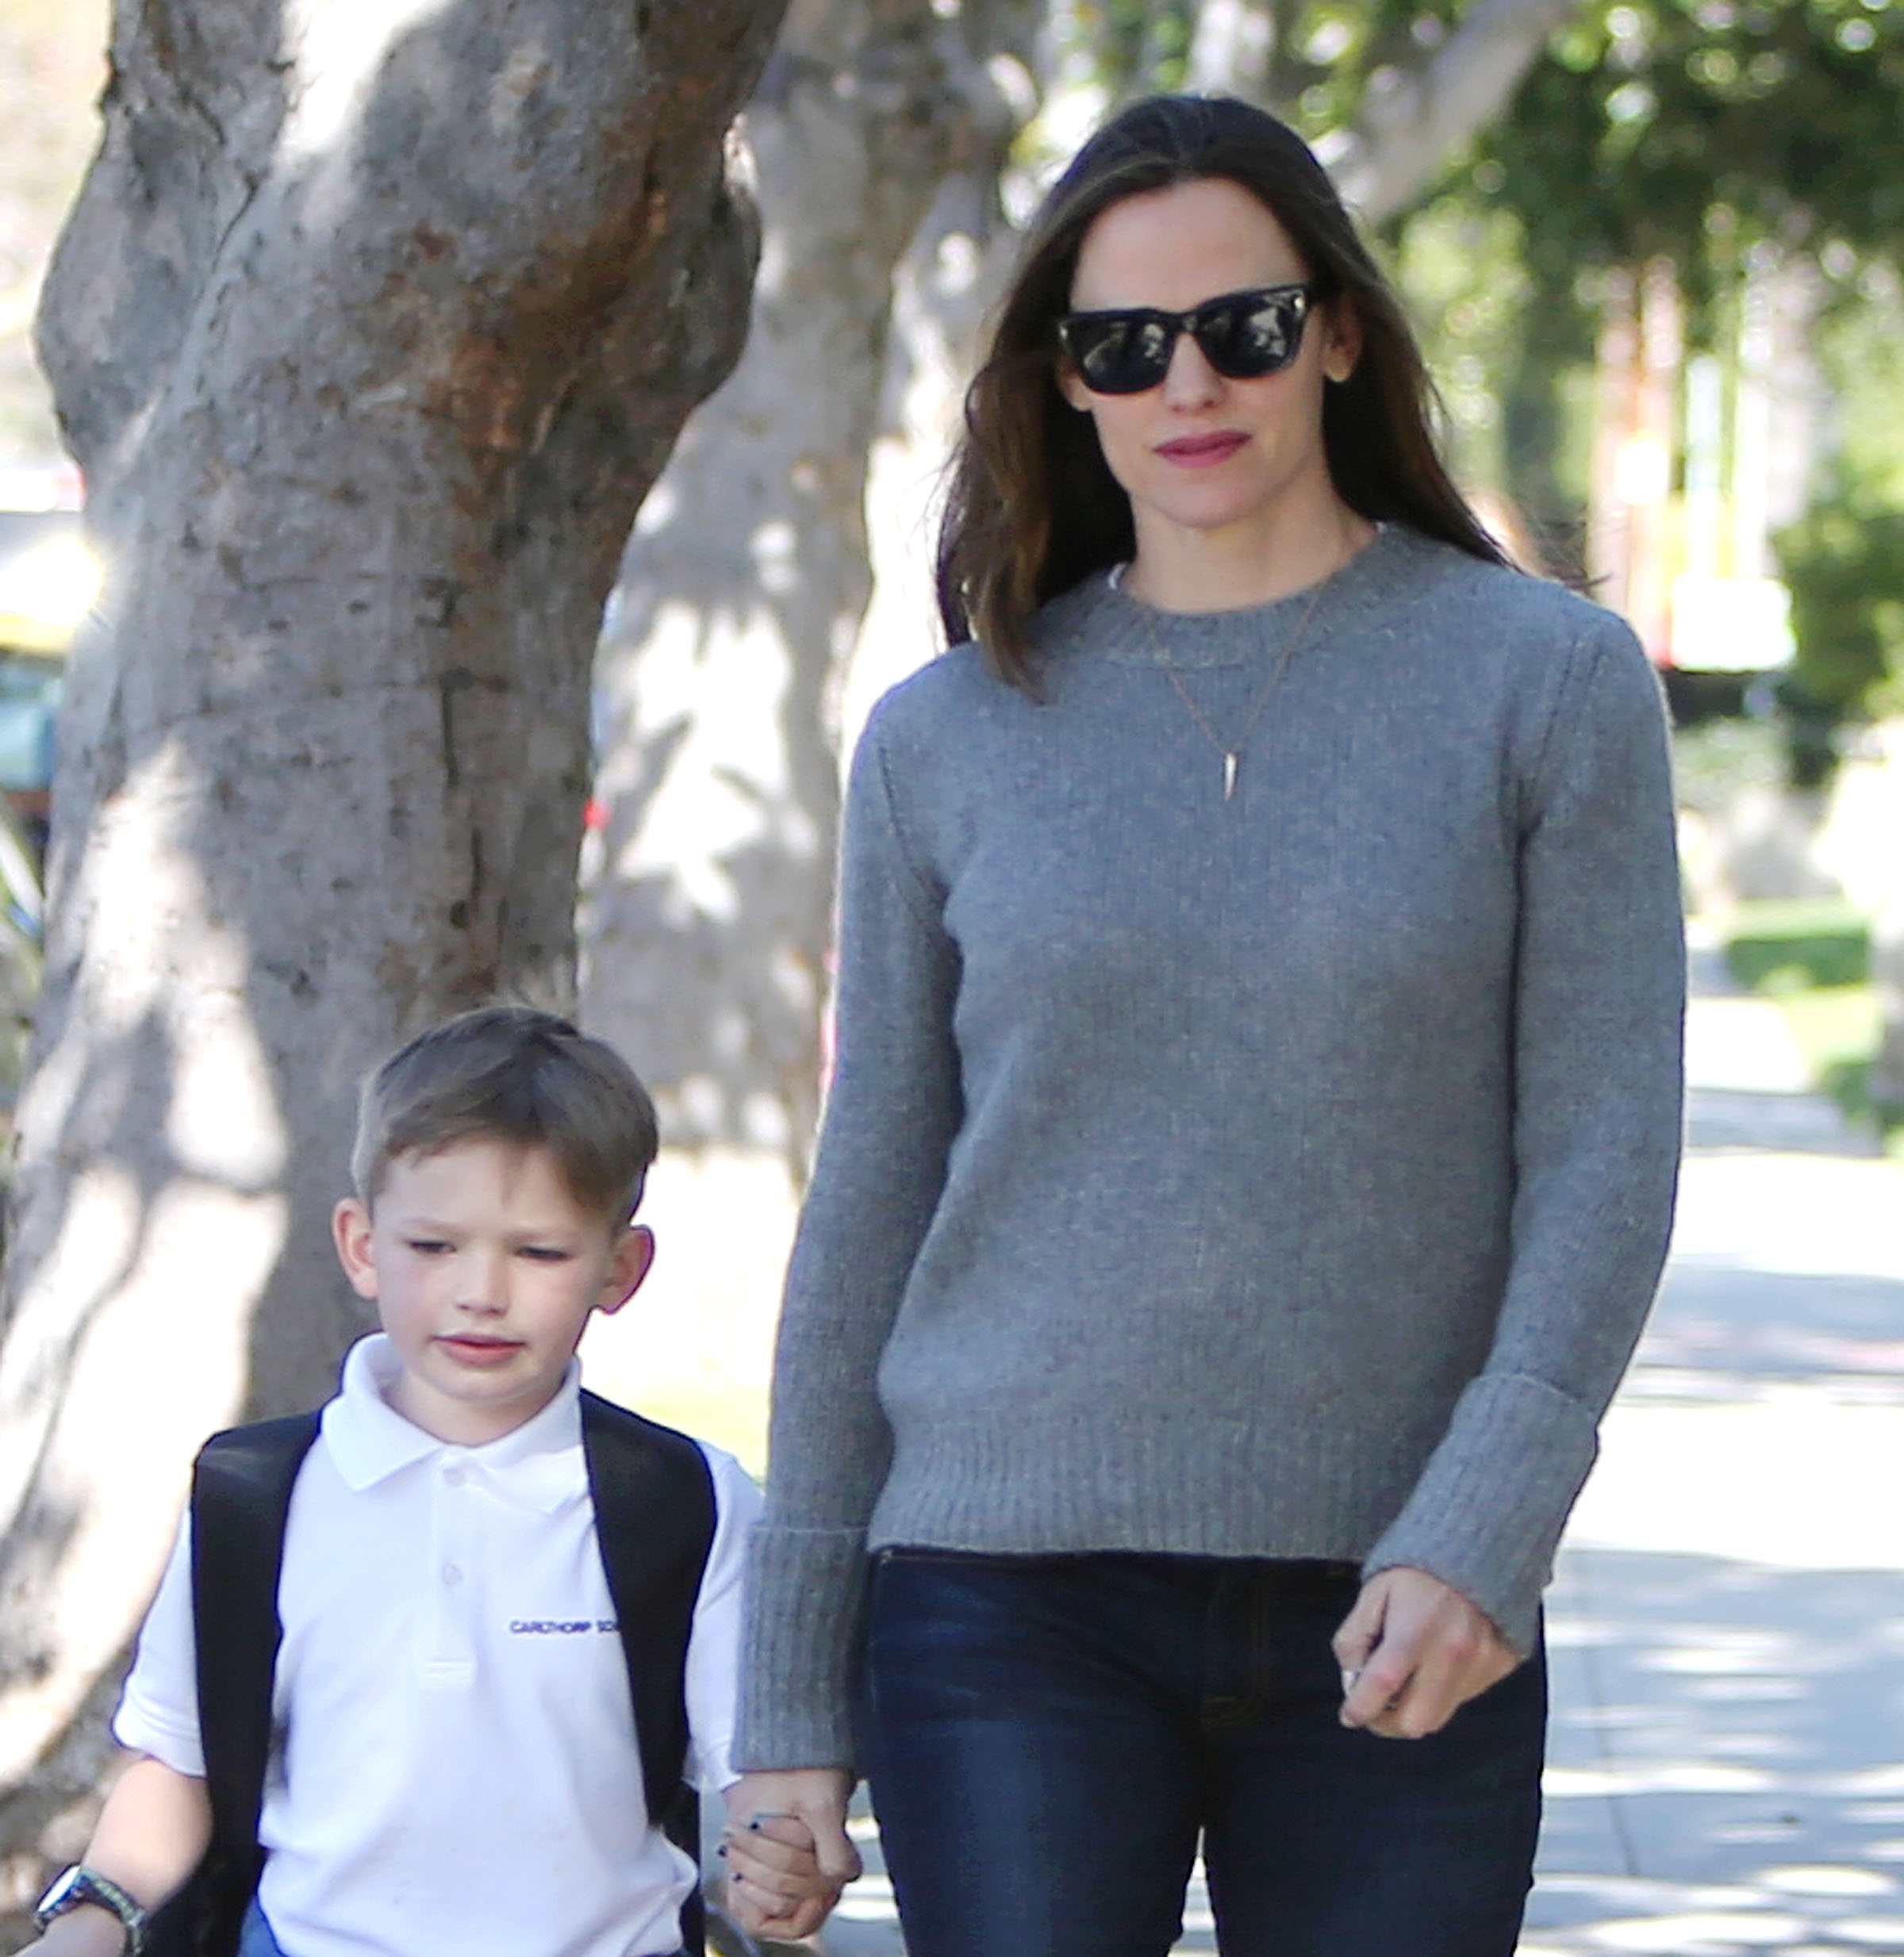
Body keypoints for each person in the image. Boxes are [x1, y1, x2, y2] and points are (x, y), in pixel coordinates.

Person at [719, 93, 1685, 1957]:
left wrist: (1485, 1520)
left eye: (1240, 325)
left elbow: (1599, 1145)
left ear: (1330, 330)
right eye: (1119, 343)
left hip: (1404, 1594)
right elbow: (868, 1207)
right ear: (1059, 382)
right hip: (1001, 1603)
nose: (1188, 382)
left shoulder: (1543, 688)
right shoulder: (945, 733)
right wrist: (785, 1709)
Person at [28, 1007, 835, 1957]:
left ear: (621, 1268)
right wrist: (93, 1920)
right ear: (363, 1245)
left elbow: (761, 1777)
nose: (481, 1291)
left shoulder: (688, 1500)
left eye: (538, 1252)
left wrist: (787, 1864)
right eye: (433, 1246)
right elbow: (177, 1762)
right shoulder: (256, 1498)